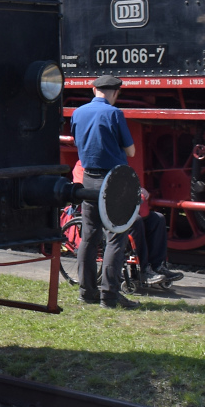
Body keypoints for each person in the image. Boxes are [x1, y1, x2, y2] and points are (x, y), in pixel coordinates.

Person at [71, 74, 138, 308]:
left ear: (93, 90)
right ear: (116, 92)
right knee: (115, 236)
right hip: (113, 182)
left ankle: (86, 292)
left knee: (89, 236)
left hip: (87, 179)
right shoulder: (114, 113)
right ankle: (109, 295)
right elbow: (130, 152)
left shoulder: (77, 113)